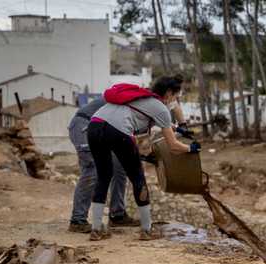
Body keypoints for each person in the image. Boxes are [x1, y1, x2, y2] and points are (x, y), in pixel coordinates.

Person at [87, 74, 200, 241]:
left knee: (103, 176)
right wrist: (191, 148)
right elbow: (173, 145)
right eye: (176, 97)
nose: (174, 101)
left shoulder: (144, 98)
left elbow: (163, 121)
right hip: (118, 130)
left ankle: (96, 229)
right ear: (169, 94)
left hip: (94, 126)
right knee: (138, 179)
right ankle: (147, 230)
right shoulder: (160, 107)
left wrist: (181, 130)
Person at [67, 96, 140, 233]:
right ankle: (77, 219)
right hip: (84, 124)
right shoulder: (130, 102)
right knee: (92, 168)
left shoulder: (138, 107)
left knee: (119, 166)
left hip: (102, 129)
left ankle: (117, 215)